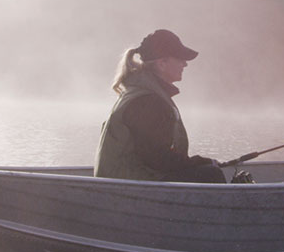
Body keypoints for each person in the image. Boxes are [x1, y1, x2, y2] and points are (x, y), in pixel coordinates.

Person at [94, 29, 226, 183]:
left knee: (207, 170)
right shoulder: (147, 101)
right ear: (162, 63)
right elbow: (157, 158)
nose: (185, 64)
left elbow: (154, 154)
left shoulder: (143, 92)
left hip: (126, 179)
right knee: (211, 174)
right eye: (180, 59)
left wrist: (197, 162)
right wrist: (199, 163)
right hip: (128, 185)